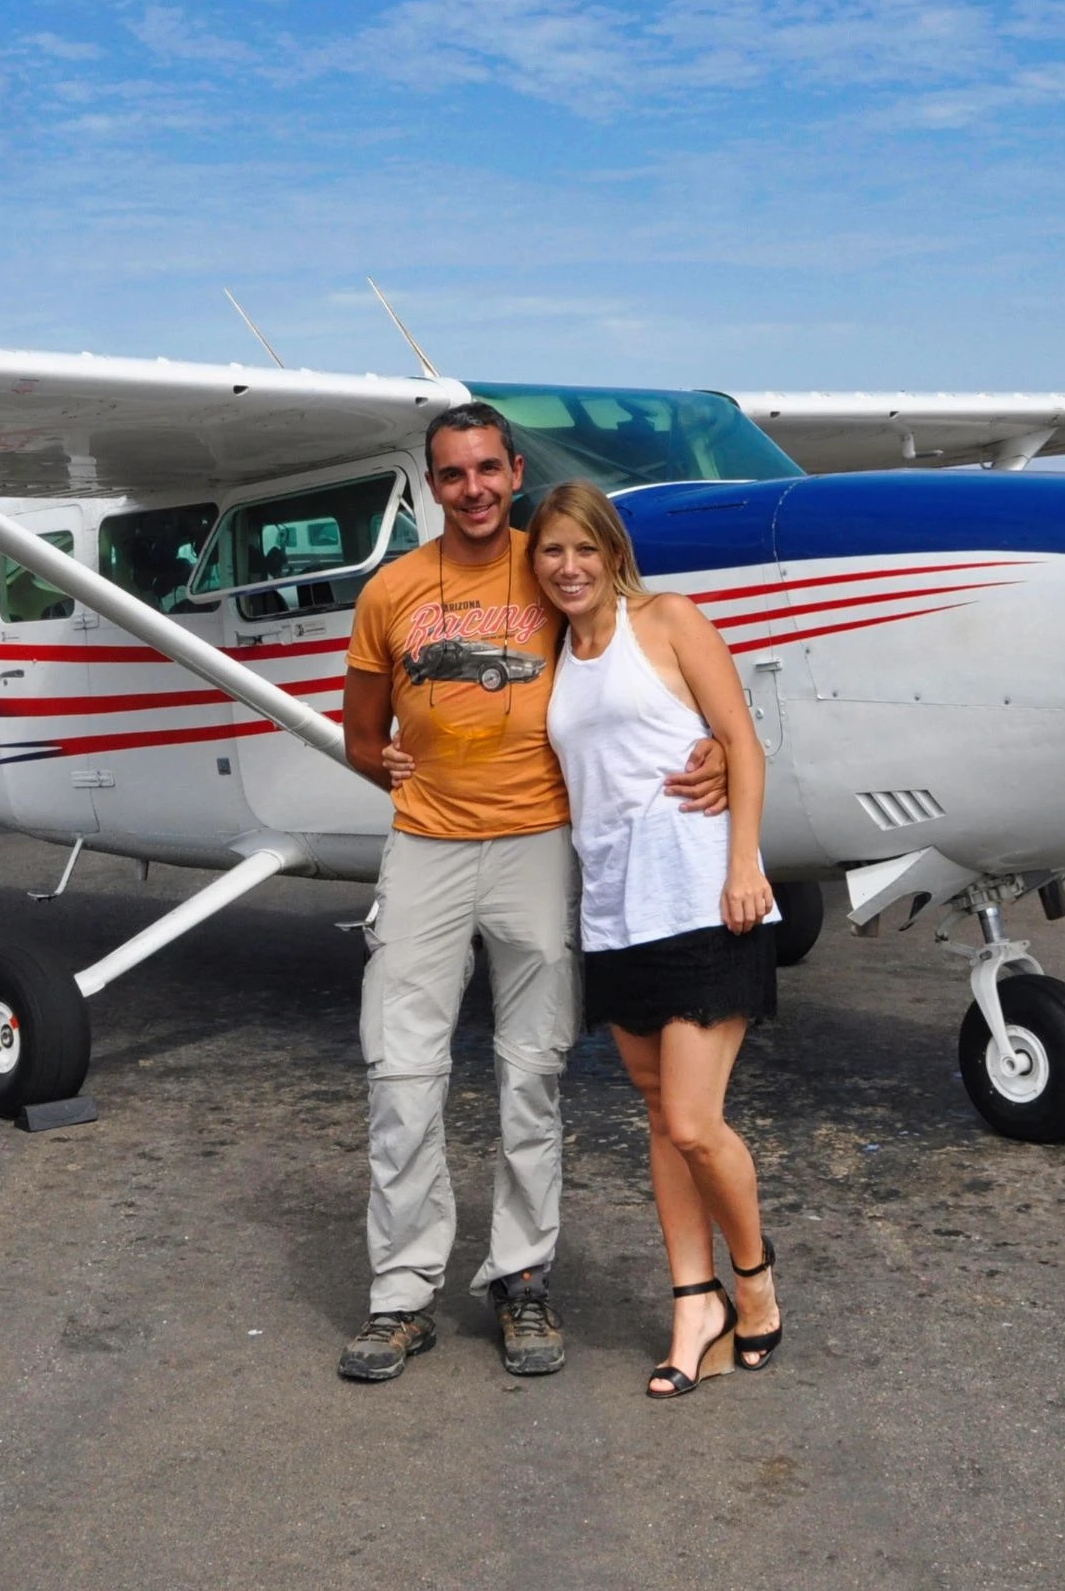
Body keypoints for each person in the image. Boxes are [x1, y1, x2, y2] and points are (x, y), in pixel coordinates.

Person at [335, 403, 723, 1385]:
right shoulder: (391, 592)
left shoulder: (554, 569)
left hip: (537, 845)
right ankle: (402, 1296)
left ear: (515, 471)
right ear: (434, 486)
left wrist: (714, 748)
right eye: (452, 474)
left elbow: (648, 663)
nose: (471, 489)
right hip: (426, 845)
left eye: (487, 470)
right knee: (401, 1068)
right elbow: (360, 732)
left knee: (532, 1070)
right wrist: (406, 782)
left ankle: (522, 1279)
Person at [531, 479, 784, 1399]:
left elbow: (741, 743)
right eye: (552, 552)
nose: (569, 567)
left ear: (614, 553)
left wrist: (746, 863)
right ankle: (694, 1305)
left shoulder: (668, 619)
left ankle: (755, 1288)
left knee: (691, 1120)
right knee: (658, 1120)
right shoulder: (557, 655)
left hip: (703, 897)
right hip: (615, 910)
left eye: (584, 549)